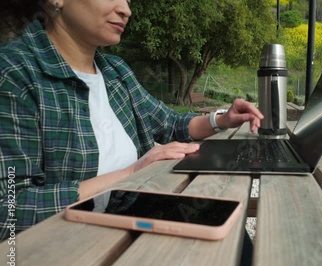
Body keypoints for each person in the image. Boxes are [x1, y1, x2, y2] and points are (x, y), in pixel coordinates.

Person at [0, 0, 263, 241]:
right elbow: (9, 210)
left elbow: (168, 123)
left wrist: (223, 119)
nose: (126, 10)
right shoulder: (13, 76)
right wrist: (130, 173)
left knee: (235, 240)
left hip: (137, 216)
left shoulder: (115, 71)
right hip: (70, 245)